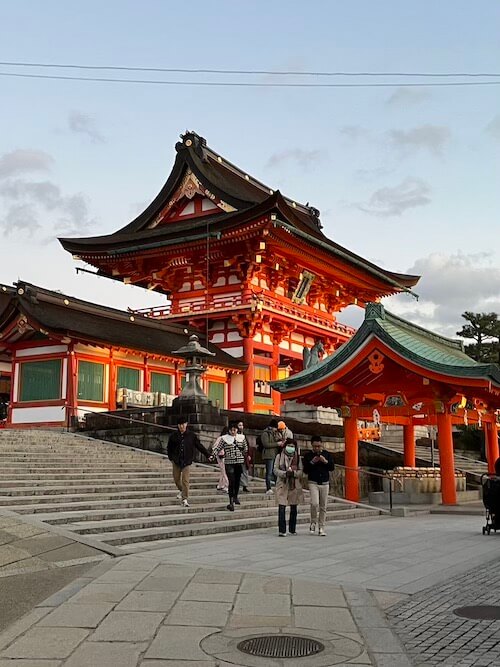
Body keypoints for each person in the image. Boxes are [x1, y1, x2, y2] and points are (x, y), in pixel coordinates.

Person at [166, 417, 211, 507]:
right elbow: (169, 448)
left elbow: (199, 446)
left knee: (185, 480)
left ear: (186, 424)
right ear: (178, 426)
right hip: (176, 460)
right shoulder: (173, 436)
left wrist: (208, 455)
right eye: (180, 425)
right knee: (176, 479)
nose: (182, 426)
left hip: (186, 461)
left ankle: (185, 499)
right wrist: (171, 457)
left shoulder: (191, 435)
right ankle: (181, 490)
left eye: (183, 424)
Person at [210, 420, 248, 511]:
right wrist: (212, 455)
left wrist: (243, 450)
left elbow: (246, 448)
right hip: (229, 462)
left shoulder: (241, 438)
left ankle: (235, 496)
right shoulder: (224, 438)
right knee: (231, 481)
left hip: (239, 461)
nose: (233, 432)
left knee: (237, 480)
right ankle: (231, 501)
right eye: (231, 430)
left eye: (235, 430)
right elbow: (218, 448)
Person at [302, 435, 335, 536]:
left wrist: (325, 461)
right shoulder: (308, 456)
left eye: (319, 446)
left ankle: (321, 527)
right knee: (314, 503)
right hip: (313, 482)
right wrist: (312, 462)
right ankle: (313, 522)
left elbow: (332, 467)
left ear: (322, 445)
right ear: (312, 446)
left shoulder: (326, 454)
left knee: (323, 506)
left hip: (325, 482)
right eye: (315, 446)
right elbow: (305, 470)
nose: (317, 448)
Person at [274, 438, 303, 536]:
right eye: (289, 446)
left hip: (293, 484)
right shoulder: (279, 456)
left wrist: (293, 473)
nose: (291, 448)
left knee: (293, 507)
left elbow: (300, 471)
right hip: (282, 483)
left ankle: (292, 528)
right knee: (281, 506)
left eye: (293, 446)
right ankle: (282, 530)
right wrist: (285, 473)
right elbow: (275, 470)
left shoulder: (297, 458)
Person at [260, 418, 281, 495]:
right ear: (272, 427)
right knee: (269, 472)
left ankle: (277, 487)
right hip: (268, 455)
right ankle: (268, 488)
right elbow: (266, 444)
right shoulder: (265, 433)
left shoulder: (274, 433)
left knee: (275, 472)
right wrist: (277, 444)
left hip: (275, 454)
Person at [212, 426, 229, 493]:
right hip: (221, 456)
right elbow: (215, 447)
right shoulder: (221, 438)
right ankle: (226, 485)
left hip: (225, 456)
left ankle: (220, 485)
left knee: (223, 471)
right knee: (224, 471)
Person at [237, 420, 251, 492]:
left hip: (244, 455)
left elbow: (247, 445)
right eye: (239, 425)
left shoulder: (244, 435)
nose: (241, 427)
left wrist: (248, 454)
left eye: (242, 425)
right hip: (237, 455)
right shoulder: (235, 435)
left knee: (245, 471)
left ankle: (245, 486)